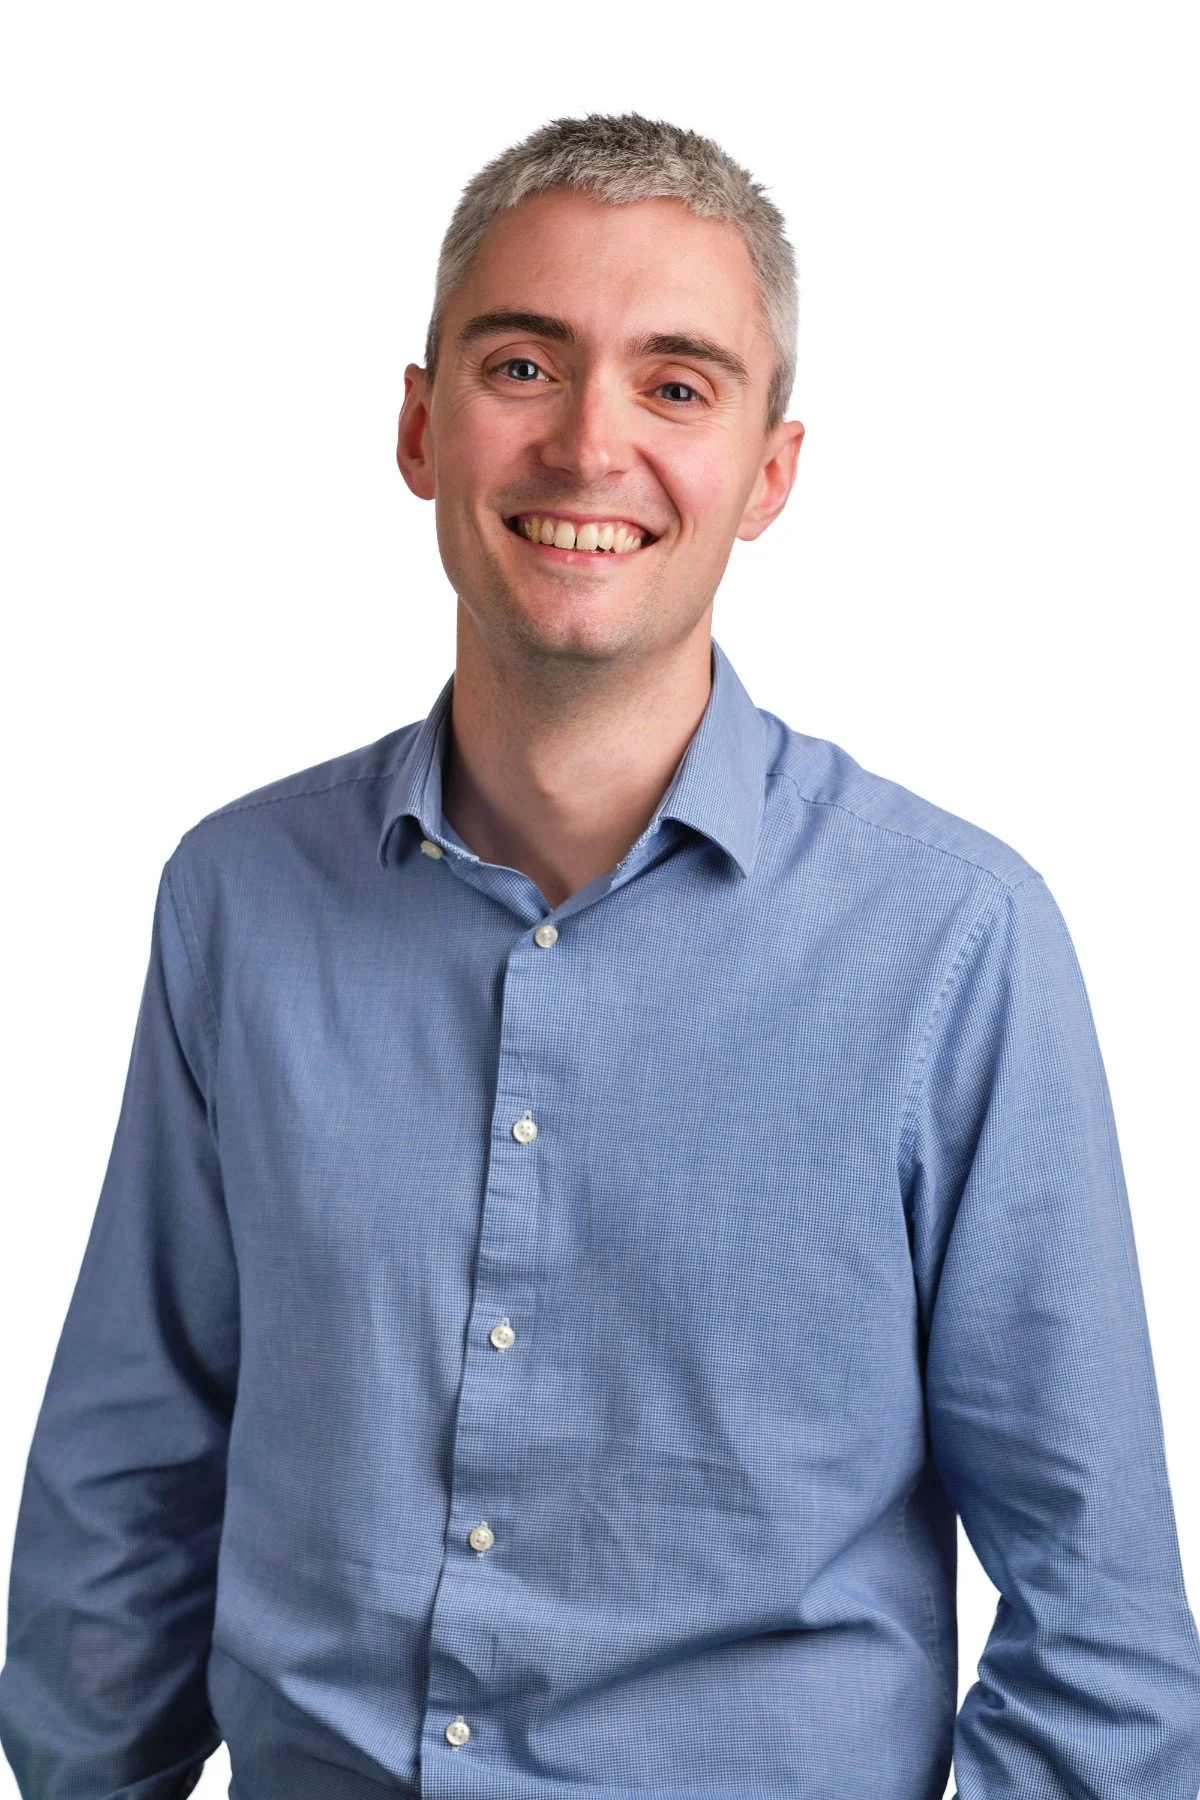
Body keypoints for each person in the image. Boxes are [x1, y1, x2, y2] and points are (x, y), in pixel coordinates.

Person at [1, 110, 1197, 1800]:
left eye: (677, 386)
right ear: (420, 427)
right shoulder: (238, 900)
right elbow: (130, 1487)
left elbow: (1102, 1633)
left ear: (769, 475)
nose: (586, 445)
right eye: (522, 366)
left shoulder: (953, 946)